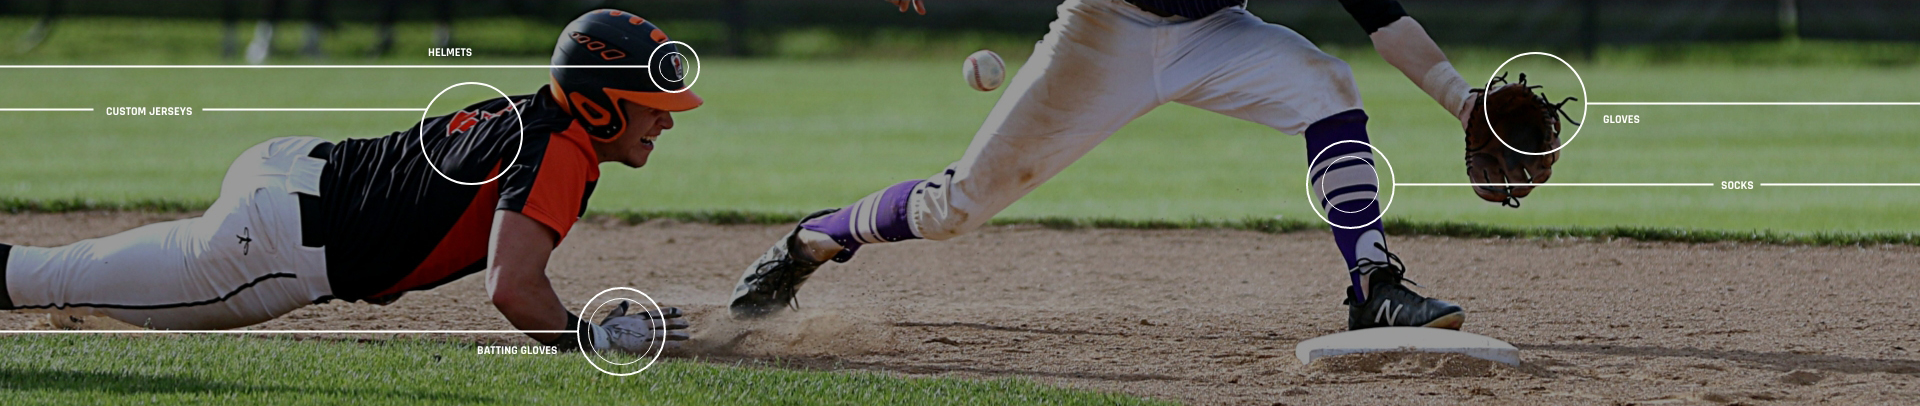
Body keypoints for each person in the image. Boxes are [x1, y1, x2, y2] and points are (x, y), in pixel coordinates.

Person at [733, 0, 1498, 330]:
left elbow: (1382, 17)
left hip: (1216, 33)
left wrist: (1465, 104)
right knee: (957, 207)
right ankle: (814, 240)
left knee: (1327, 83)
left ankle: (1373, 286)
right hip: (1102, 33)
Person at [0, 9, 694, 353]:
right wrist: (592, 341)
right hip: (276, 244)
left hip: (290, 174)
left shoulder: (534, 115)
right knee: (45, 278)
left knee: (83, 273)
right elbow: (512, 287)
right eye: (653, 109)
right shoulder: (562, 149)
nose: (665, 125)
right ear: (601, 99)